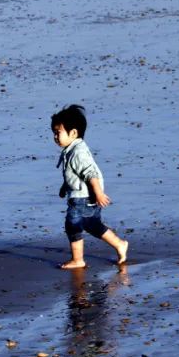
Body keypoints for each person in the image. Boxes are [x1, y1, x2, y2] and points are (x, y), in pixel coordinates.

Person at [51, 104, 128, 270]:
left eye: (58, 133)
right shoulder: (72, 149)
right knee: (93, 225)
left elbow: (90, 173)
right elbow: (75, 174)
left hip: (83, 197)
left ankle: (78, 259)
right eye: (54, 133)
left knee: (72, 225)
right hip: (85, 195)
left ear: (73, 133)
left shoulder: (77, 152)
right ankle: (120, 244)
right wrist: (65, 187)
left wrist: (99, 193)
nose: (55, 137)